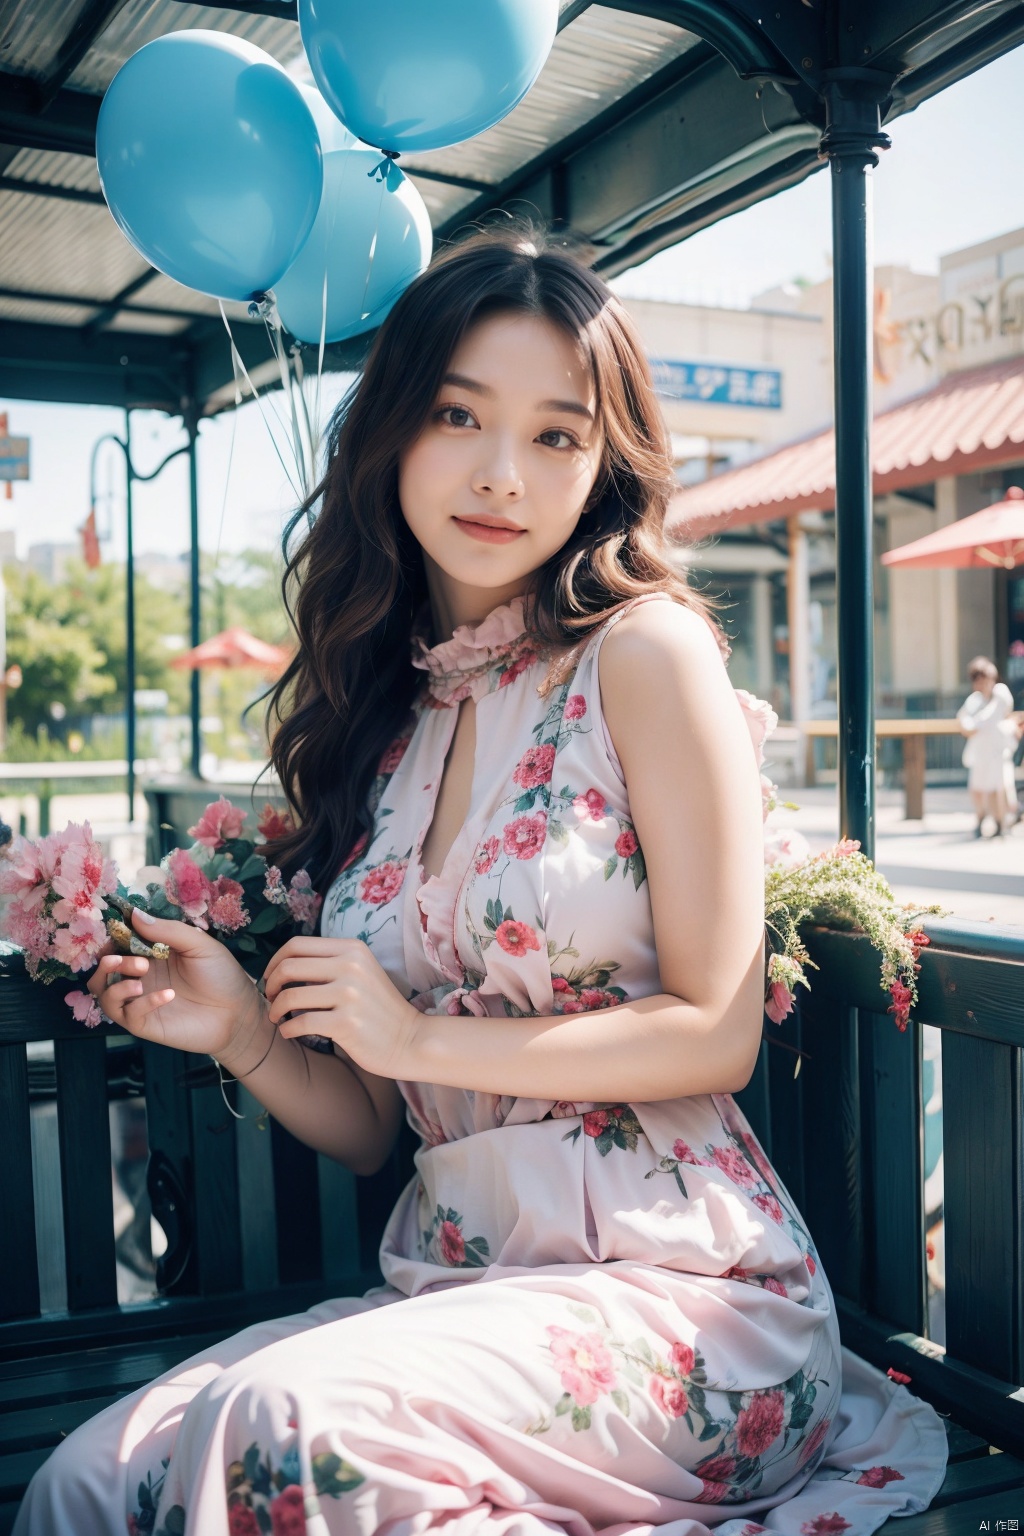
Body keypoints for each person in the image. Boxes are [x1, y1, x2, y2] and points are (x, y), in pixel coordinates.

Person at [14, 225, 948, 1536]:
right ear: (394, 428)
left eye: (558, 434)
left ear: (602, 466)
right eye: (459, 414)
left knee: (277, 1438)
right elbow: (381, 1123)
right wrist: (238, 1028)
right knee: (89, 1486)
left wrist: (409, 1027)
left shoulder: (645, 653)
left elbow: (717, 1031)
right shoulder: (395, 723)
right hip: (458, 1289)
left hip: (683, 1301)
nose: (503, 473)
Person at [956, 656, 1016, 836]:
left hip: (997, 749)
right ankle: (981, 819)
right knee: (977, 788)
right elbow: (963, 721)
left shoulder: (1000, 693)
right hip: (979, 750)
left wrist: (973, 725)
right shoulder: (974, 700)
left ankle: (1000, 822)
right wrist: (971, 726)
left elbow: (986, 719)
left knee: (997, 787)